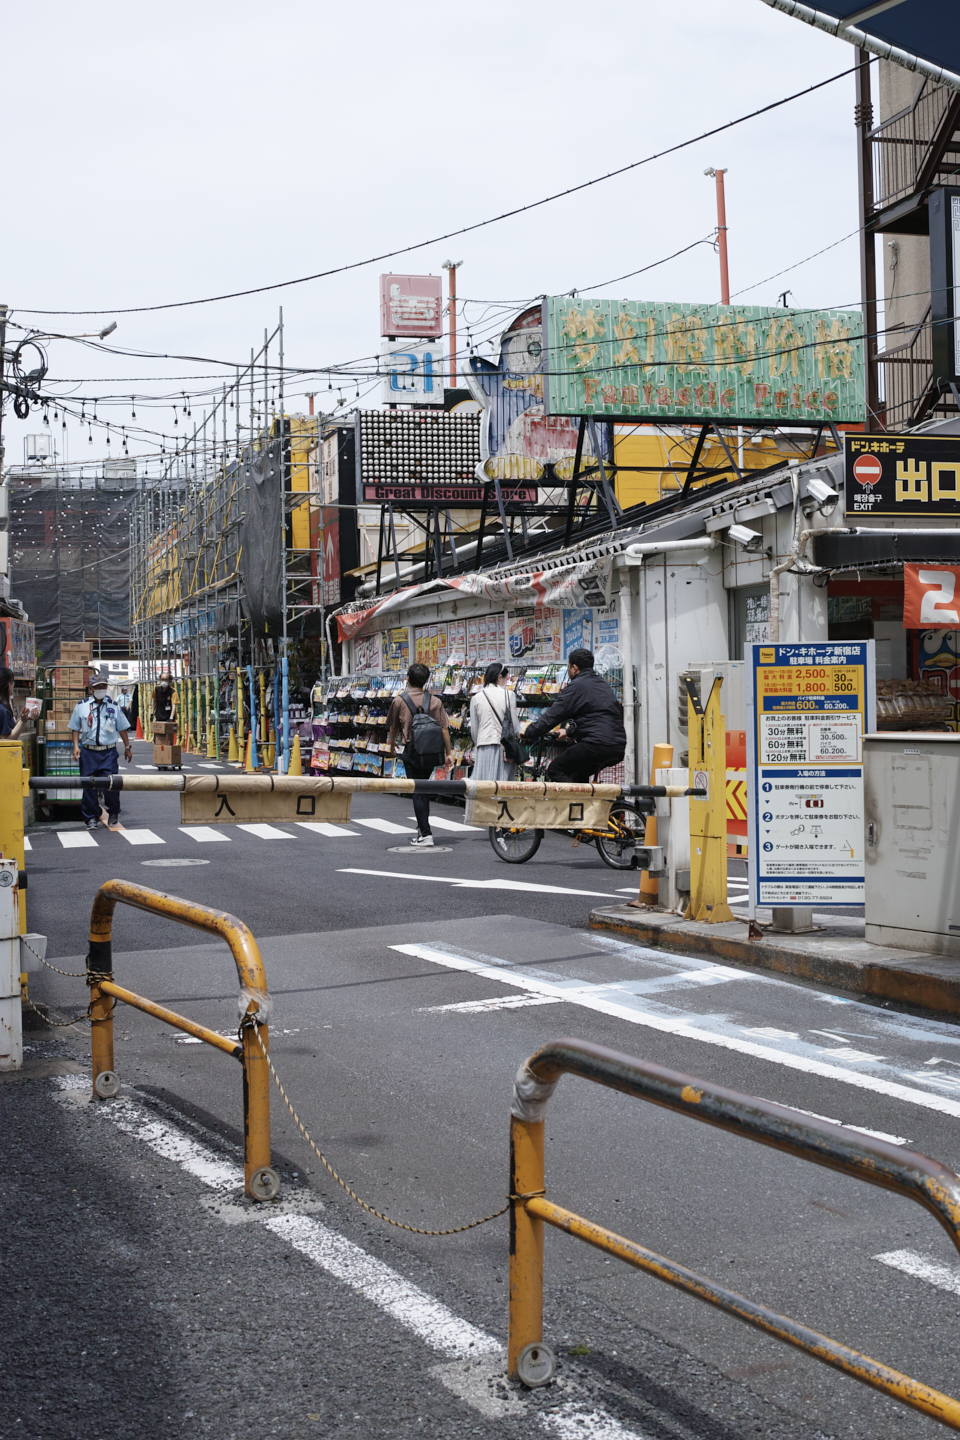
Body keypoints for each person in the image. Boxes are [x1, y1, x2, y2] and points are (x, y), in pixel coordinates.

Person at [521, 648, 626, 783]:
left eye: (569, 667)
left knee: (555, 769)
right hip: (617, 746)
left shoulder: (577, 686)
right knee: (579, 774)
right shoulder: (603, 684)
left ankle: (574, 797)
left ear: (574, 668)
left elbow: (554, 714)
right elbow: (596, 717)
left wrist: (529, 732)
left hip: (596, 744)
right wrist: (569, 732)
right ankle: (585, 797)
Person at [386, 662, 453, 847]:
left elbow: (393, 727)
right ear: (426, 680)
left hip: (412, 751)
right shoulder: (435, 701)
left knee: (418, 791)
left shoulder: (399, 701)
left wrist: (391, 745)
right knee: (423, 789)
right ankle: (423, 829)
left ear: (408, 679)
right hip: (432, 752)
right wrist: (448, 753)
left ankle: (425, 833)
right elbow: (444, 729)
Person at [69, 668, 133, 830]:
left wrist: (127, 747)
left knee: (111, 785)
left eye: (104, 686)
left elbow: (122, 728)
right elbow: (75, 728)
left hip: (108, 752)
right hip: (88, 752)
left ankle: (114, 812)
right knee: (89, 786)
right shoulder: (82, 706)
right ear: (91, 689)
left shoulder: (113, 706)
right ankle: (91, 817)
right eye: (98, 687)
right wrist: (76, 746)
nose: (101, 690)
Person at [469, 663, 520, 783]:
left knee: (483, 785)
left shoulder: (476, 698)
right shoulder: (509, 695)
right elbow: (515, 727)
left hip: (483, 746)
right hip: (504, 748)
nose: (506, 682)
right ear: (499, 677)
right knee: (502, 786)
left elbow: (474, 731)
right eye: (506, 679)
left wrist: (479, 741)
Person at [0, 667, 36, 740]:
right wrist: (22, 722)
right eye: (12, 682)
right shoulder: (2, 710)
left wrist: (23, 719)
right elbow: (6, 740)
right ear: (9, 684)